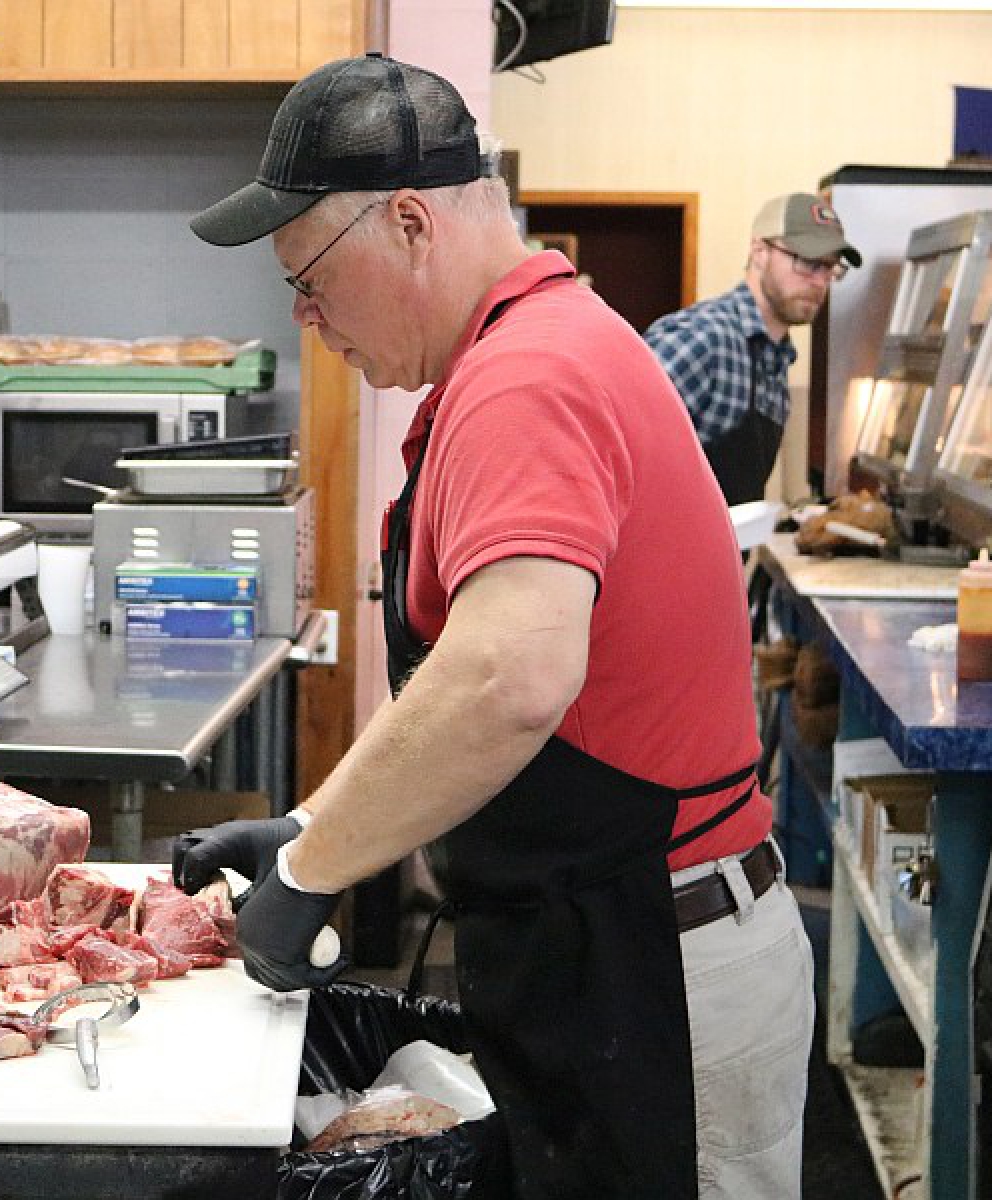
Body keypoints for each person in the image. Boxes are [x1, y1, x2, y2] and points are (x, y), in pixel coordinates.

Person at [174, 53, 814, 1200]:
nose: (305, 317)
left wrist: (318, 871)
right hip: (612, 947)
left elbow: (506, 677)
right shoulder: (521, 353)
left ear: (412, 223)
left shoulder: (528, 377)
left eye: (310, 279)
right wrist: (322, 827)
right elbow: (473, 686)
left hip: (661, 970)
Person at [644, 193, 861, 506]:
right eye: (808, 263)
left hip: (722, 553)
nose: (819, 282)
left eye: (830, 269)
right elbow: (614, 449)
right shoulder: (705, 338)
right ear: (759, 252)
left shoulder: (776, 359)